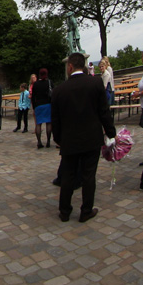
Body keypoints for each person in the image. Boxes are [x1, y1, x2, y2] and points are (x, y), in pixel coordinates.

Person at [51, 52, 116, 223]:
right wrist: (111, 133)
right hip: (91, 138)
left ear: (70, 67)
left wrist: (59, 139)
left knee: (68, 176)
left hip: (69, 140)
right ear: (85, 65)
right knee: (88, 176)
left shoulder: (59, 90)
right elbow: (104, 112)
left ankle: (64, 211)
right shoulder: (95, 83)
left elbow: (55, 120)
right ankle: (86, 210)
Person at [31, 68, 53, 149]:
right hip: (48, 104)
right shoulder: (49, 82)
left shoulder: (36, 84)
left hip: (38, 105)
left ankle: (39, 142)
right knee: (48, 123)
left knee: (38, 124)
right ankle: (48, 141)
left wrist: (34, 107)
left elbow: (33, 97)